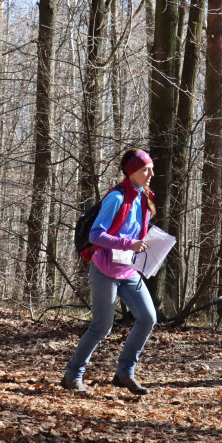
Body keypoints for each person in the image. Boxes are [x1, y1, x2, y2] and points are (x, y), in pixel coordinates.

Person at [61, 148, 158, 395]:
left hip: (129, 270)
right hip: (104, 270)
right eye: (146, 169)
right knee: (101, 327)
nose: (151, 174)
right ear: (132, 172)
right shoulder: (116, 197)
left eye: (151, 169)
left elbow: (136, 235)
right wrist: (129, 244)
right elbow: (96, 234)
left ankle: (125, 373)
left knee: (148, 318)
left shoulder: (143, 198)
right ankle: (73, 375)